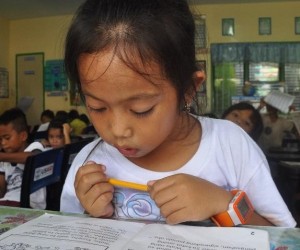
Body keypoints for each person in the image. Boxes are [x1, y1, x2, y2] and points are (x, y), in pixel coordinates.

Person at [61, 0, 296, 227]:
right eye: (97, 107)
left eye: (141, 109)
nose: (118, 130)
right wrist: (91, 216)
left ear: (188, 89)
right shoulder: (90, 162)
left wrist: (222, 203)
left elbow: (282, 237)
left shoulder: (230, 146)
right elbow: (65, 234)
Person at [0, 108, 45, 208]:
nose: (3, 143)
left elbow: (31, 158)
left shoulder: (35, 147)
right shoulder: (4, 159)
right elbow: (2, 190)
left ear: (23, 136)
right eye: (0, 139)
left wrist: (2, 157)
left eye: (7, 138)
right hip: (8, 202)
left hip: (30, 205)